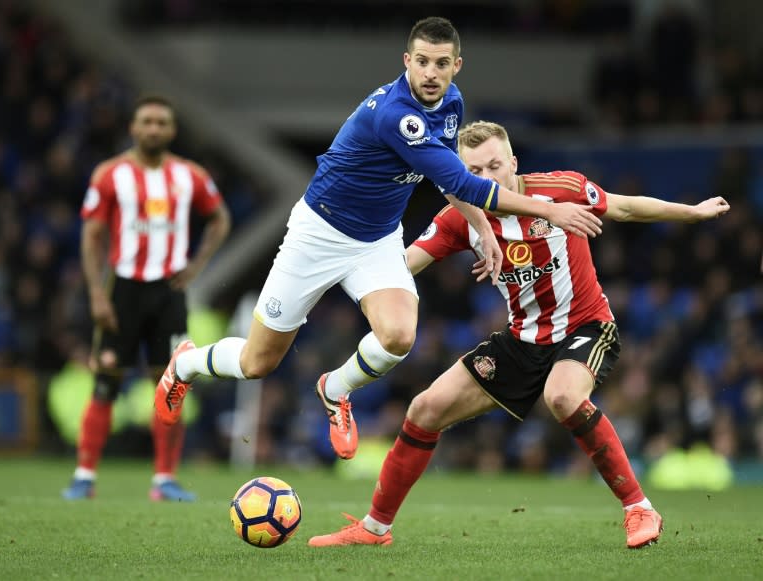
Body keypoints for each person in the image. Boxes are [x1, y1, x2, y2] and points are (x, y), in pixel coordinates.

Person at [153, 17, 603, 461]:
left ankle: (335, 389)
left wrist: (482, 226)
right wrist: (549, 208)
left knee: (399, 334)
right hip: (318, 234)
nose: (431, 73)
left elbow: (447, 175)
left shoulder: (451, 104)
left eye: (441, 63)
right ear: (407, 61)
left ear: (456, 66)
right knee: (257, 363)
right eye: (422, 62)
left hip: (378, 239)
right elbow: (464, 183)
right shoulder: (394, 114)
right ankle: (186, 364)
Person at [307, 120, 731, 549]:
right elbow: (403, 266)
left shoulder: (560, 189)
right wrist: (341, 272)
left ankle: (638, 508)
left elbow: (623, 207)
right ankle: (374, 529)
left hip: (585, 327)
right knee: (424, 409)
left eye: (494, 166)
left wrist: (691, 212)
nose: (486, 179)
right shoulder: (460, 218)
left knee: (563, 396)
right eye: (473, 172)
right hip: (521, 340)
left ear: (513, 163)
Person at [62, 95, 231, 501]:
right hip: (122, 290)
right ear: (133, 128)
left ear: (172, 130)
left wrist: (196, 265)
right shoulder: (110, 174)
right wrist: (95, 295)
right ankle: (84, 476)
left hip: (168, 294)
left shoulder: (190, 176)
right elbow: (91, 236)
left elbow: (220, 218)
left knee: (170, 385)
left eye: (161, 122)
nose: (154, 128)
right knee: (105, 382)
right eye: (147, 121)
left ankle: (164, 480)